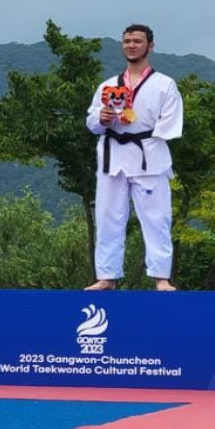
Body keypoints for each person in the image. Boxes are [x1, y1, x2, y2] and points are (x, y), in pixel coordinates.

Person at [85, 24, 183, 291]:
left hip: (148, 156)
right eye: (127, 41)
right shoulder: (108, 85)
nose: (131, 45)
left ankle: (161, 277)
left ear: (150, 45)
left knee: (157, 218)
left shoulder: (165, 85)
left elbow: (171, 123)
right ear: (122, 45)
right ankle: (107, 276)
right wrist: (102, 119)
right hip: (113, 156)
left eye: (138, 41)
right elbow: (92, 122)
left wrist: (134, 125)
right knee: (108, 216)